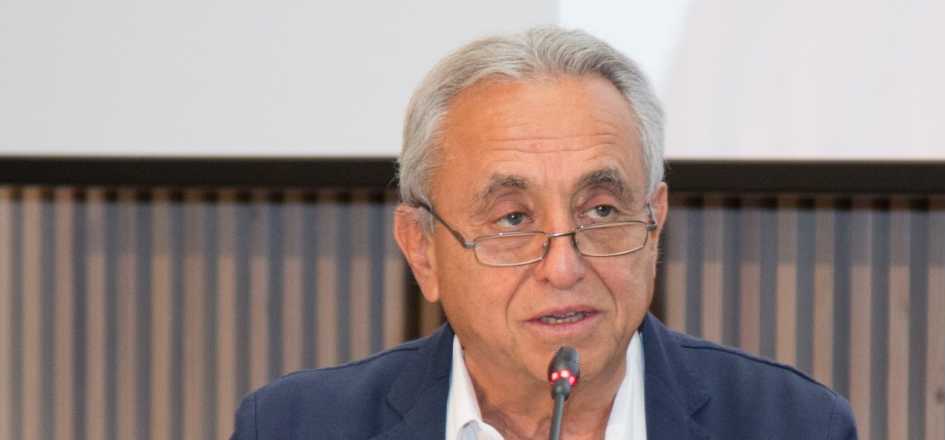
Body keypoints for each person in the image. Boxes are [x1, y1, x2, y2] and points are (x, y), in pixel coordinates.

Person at [231, 26, 857, 439]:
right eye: (513, 220)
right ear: (422, 249)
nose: (563, 268)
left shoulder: (793, 425)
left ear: (655, 221)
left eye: (601, 212)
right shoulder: (296, 427)